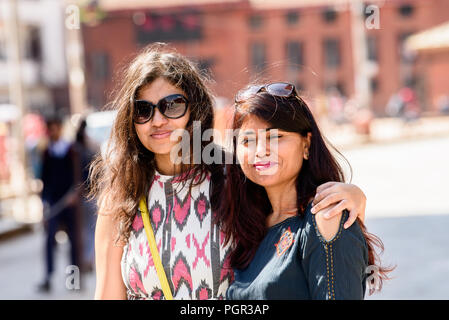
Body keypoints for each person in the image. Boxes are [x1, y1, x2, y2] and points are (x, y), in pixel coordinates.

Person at [89, 44, 368, 300]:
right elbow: (108, 295)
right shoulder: (120, 196)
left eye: (172, 105)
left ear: (194, 110)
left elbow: (306, 227)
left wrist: (353, 196)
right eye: (143, 110)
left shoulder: (233, 176)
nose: (158, 120)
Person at [220, 82, 392, 300]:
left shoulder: (327, 218)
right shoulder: (250, 225)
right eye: (247, 140)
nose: (260, 151)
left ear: (306, 144)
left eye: (275, 137)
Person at [38, 116, 81, 292]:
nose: (53, 132)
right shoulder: (47, 152)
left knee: (73, 242)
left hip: (69, 202)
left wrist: (74, 193)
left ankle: (74, 281)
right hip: (54, 202)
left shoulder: (70, 150)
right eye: (51, 129)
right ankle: (48, 278)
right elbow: (44, 180)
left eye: (56, 128)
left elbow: (79, 176)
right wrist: (44, 203)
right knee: (49, 241)